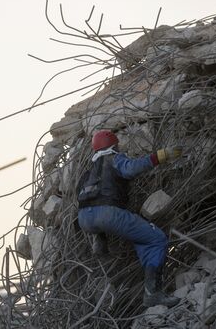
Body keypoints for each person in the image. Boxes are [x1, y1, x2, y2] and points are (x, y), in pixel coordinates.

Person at [76, 129, 182, 307]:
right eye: (118, 145)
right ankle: (152, 294)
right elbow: (130, 169)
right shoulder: (114, 158)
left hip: (84, 219)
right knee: (155, 239)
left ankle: (99, 237)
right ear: (113, 146)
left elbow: (82, 198)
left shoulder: (89, 172)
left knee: (139, 237)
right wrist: (160, 156)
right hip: (108, 214)